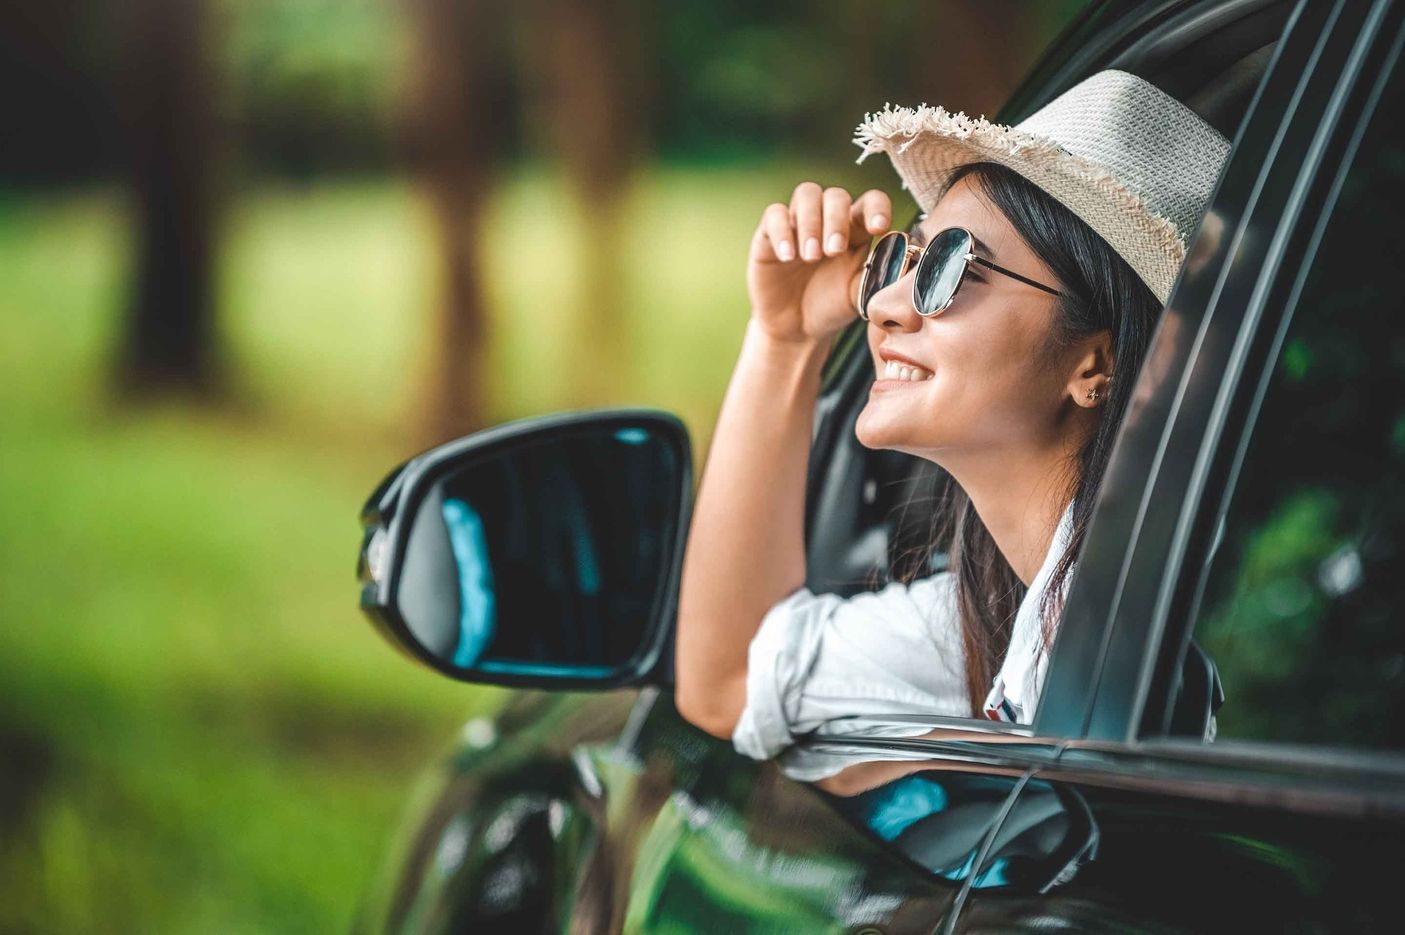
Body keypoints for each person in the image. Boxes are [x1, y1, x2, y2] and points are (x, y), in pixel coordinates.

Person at [672, 69, 1231, 769]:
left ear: (1098, 363)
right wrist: (784, 338)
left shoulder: (1152, 627)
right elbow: (729, 685)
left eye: (951, 266)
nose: (879, 306)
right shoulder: (997, 615)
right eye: (901, 259)